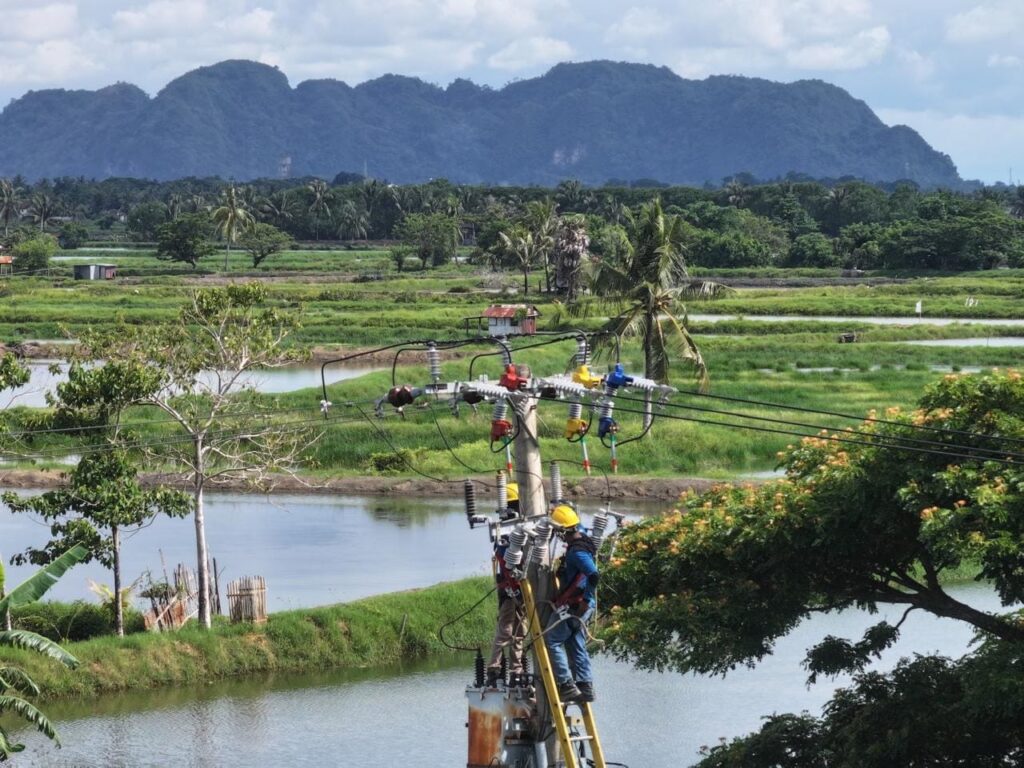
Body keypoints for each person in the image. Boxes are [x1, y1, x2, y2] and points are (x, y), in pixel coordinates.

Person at [544, 503, 599, 703]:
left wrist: (584, 600)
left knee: (552, 640)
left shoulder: (577, 552)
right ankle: (585, 687)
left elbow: (593, 575)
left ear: (562, 530)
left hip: (576, 605)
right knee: (576, 642)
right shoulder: (583, 539)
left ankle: (566, 685)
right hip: (581, 605)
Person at [488, 532, 527, 683]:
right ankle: (494, 669)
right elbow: (509, 571)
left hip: (520, 594)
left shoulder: (515, 545)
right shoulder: (506, 548)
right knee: (505, 631)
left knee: (519, 633)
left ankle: (516, 671)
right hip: (509, 594)